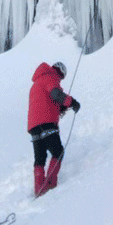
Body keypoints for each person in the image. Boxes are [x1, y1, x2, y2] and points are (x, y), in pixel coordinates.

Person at [27, 61, 80, 197]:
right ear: (60, 72)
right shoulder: (50, 77)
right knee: (58, 152)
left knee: (40, 158)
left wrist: (59, 107)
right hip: (47, 123)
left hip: (33, 126)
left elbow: (46, 100)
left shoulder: (36, 83)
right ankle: (50, 185)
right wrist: (71, 102)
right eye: (61, 78)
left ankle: (39, 189)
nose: (60, 80)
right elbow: (56, 94)